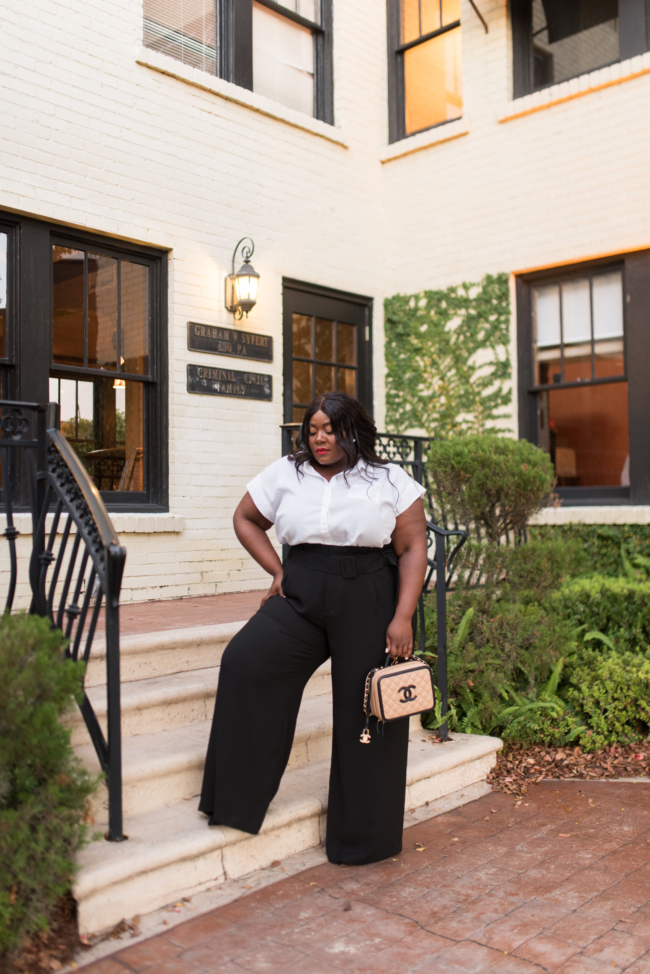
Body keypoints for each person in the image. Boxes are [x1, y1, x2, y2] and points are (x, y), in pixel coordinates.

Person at [199, 391, 428, 865]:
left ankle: (364, 840)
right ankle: (235, 803)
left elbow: (411, 548)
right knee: (244, 661)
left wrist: (402, 616)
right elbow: (245, 519)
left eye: (331, 429)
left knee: (368, 713)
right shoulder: (287, 472)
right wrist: (276, 571)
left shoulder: (389, 479)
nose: (320, 438)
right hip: (300, 592)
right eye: (313, 429)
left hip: (367, 595)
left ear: (353, 430)